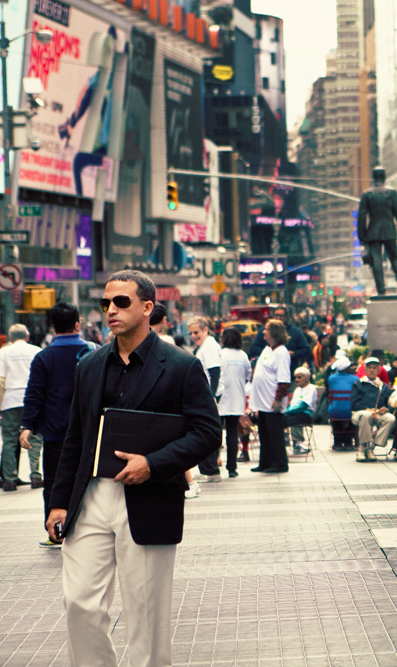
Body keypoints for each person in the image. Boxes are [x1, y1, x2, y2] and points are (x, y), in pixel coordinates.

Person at [45, 270, 221, 667]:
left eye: (121, 302)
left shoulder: (181, 365)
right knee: (80, 603)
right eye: (105, 303)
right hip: (90, 495)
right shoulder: (88, 365)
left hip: (148, 498)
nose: (110, 310)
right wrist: (58, 503)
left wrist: (153, 464)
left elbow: (208, 433)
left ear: (146, 307)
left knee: (146, 613)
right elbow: (76, 438)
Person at [20, 302, 93, 546]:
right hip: (89, 431)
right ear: (77, 323)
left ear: (53, 326)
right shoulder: (94, 352)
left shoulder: (44, 357)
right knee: (89, 480)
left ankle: (56, 532)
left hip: (55, 433)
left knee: (53, 482)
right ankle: (89, 528)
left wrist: (27, 425)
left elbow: (34, 394)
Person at [0, 324, 44, 491]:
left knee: (10, 440)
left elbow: (1, 381)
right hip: (32, 400)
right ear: (27, 336)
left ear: (11, 338)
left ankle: (10, 479)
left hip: (10, 401)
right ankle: (35, 476)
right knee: (35, 438)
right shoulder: (36, 350)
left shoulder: (4, 352)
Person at [357, 166, 397, 295]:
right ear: (384, 177)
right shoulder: (391, 193)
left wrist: (362, 236)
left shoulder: (367, 194)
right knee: (394, 258)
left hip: (373, 232)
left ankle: (381, 290)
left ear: (374, 178)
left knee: (376, 261)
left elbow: (362, 217)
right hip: (389, 231)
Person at [249, 320, 291, 474]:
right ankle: (265, 462)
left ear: (273, 333)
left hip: (272, 402)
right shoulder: (267, 349)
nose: (263, 332)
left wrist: (278, 398)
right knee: (264, 433)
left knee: (275, 434)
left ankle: (280, 463)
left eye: (266, 329)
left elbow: (284, 378)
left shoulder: (281, 352)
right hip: (262, 401)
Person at [189, 316, 224, 482]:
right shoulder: (205, 345)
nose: (194, 336)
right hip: (207, 394)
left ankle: (210, 470)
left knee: (206, 431)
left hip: (210, 395)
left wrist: (211, 397)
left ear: (205, 330)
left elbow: (214, 372)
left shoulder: (209, 346)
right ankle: (207, 469)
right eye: (191, 333)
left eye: (196, 332)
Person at [218, 327, 251, 475]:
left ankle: (214, 462)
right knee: (232, 434)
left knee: (216, 433)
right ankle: (232, 468)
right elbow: (247, 375)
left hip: (220, 398)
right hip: (236, 398)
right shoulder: (243, 355)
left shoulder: (220, 354)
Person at [351, 357, 394, 462]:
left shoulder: (384, 387)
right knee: (366, 415)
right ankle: (361, 450)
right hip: (360, 413)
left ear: (379, 370)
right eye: (369, 367)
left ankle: (371, 447)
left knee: (390, 418)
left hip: (377, 413)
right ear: (365, 370)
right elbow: (355, 403)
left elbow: (390, 403)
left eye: (374, 368)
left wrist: (386, 409)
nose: (372, 370)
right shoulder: (358, 384)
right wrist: (368, 410)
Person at [247, 307, 312, 368]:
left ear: (287, 317)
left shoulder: (295, 332)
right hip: (268, 371)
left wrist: (294, 354)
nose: (278, 317)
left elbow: (307, 351)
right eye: (276, 315)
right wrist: (270, 353)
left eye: (281, 316)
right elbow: (253, 349)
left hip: (290, 370)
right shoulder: (265, 330)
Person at [285, 368, 318, 455]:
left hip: (306, 414)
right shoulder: (297, 390)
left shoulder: (311, 388)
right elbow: (292, 405)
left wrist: (287, 412)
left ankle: (299, 444)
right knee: (279, 419)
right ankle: (285, 442)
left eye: (299, 377)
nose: (296, 380)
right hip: (295, 412)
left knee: (287, 419)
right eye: (295, 377)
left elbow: (303, 406)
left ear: (307, 377)